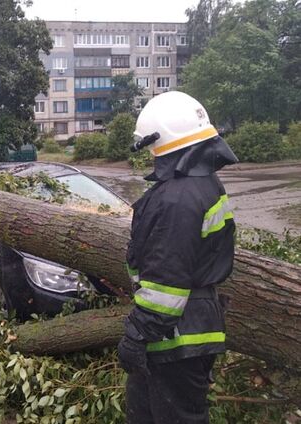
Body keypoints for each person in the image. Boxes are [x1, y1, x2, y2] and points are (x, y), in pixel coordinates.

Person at [118, 91, 238, 424]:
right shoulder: (205, 184)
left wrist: (137, 333)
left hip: (175, 337)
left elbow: (166, 282)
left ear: (161, 140)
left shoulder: (176, 199)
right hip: (189, 330)